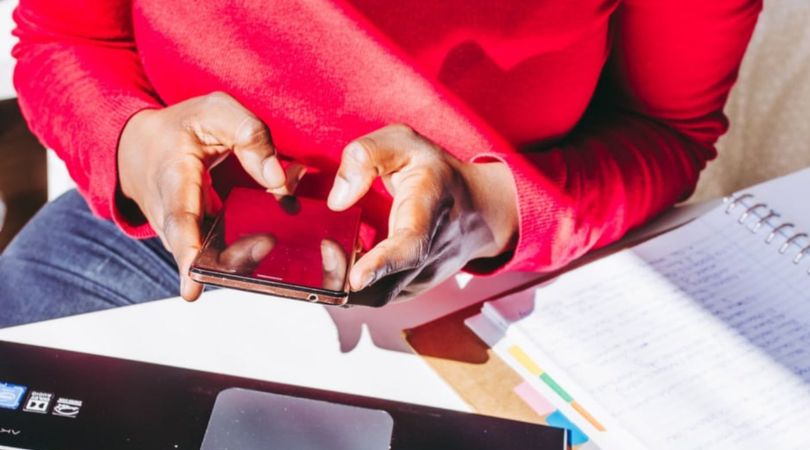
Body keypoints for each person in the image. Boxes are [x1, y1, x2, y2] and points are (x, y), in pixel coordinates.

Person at [0, 0, 761, 327]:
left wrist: (493, 207)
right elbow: (61, 39)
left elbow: (667, 128)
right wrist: (136, 148)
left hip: (492, 286)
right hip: (159, 246)